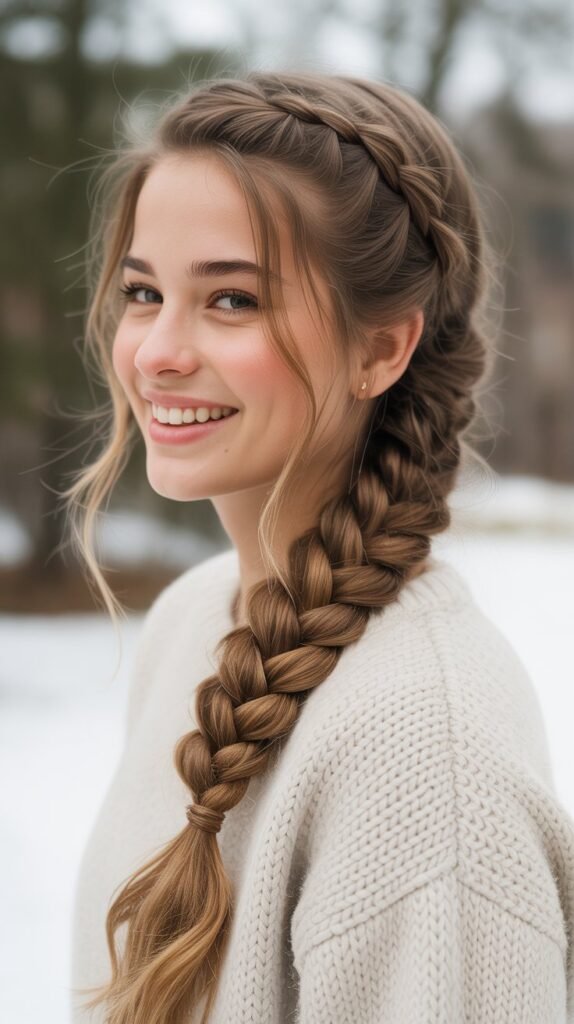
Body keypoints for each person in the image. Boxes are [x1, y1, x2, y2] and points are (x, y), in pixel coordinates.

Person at [64, 70, 574, 1023]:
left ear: (383, 349)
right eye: (143, 291)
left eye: (232, 302)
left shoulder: (425, 754)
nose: (157, 351)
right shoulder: (195, 619)